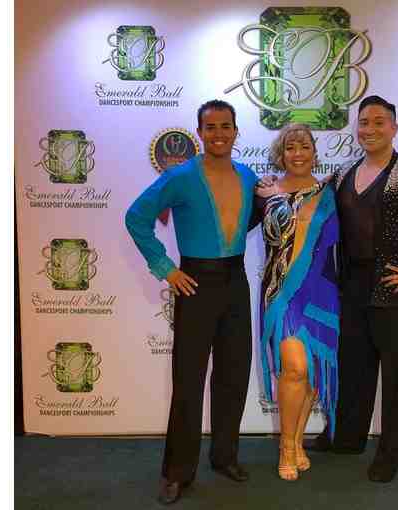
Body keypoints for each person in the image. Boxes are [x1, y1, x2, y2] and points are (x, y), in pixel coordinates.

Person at [304, 95, 398, 482]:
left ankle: (390, 454)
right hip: (351, 287)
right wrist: (275, 190)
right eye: (363, 122)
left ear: (394, 127)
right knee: (353, 368)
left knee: (396, 377)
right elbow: (309, 201)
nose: (369, 129)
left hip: (394, 290)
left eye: (378, 122)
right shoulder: (343, 173)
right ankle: (346, 438)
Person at [125, 100, 258, 504]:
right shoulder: (180, 177)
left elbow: (252, 217)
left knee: (234, 374)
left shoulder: (248, 176)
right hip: (195, 283)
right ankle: (177, 472)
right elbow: (136, 217)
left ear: (236, 131)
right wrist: (166, 268)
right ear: (199, 133)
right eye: (210, 127)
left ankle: (224, 457)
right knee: (188, 380)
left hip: (236, 281)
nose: (218, 133)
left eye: (225, 126)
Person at [255, 123, 339, 481]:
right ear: (281, 153)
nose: (298, 153)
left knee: (312, 374)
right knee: (294, 369)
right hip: (282, 291)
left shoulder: (331, 192)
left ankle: (297, 440)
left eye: (304, 146)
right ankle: (286, 448)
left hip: (323, 290)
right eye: (290, 147)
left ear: (314, 153)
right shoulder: (265, 191)